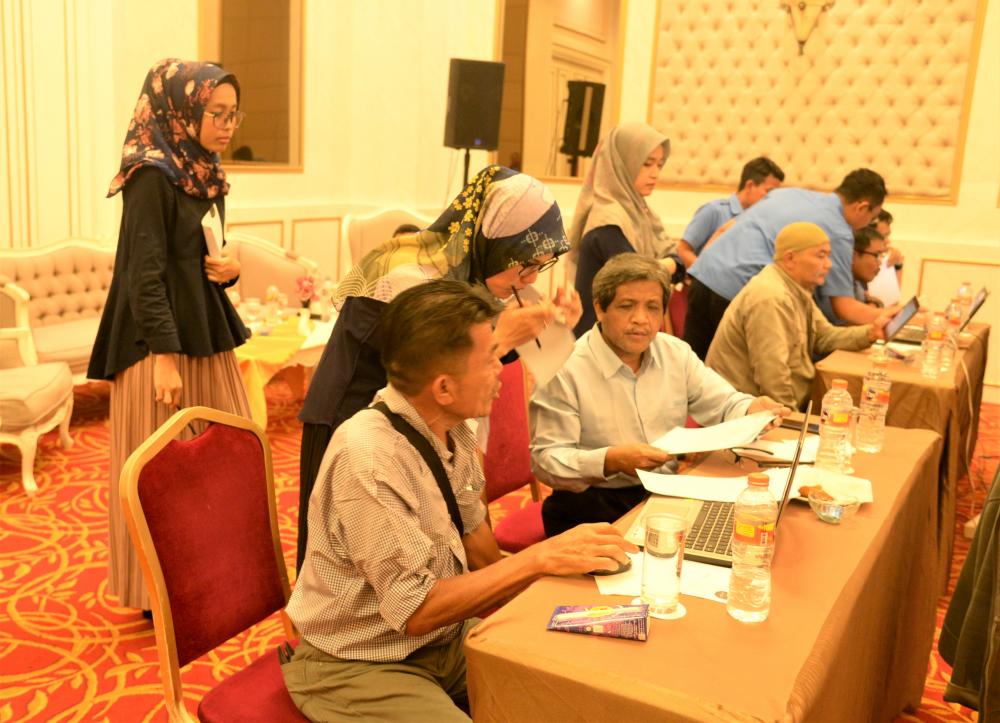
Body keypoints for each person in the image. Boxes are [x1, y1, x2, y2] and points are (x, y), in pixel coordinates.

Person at [283, 280, 635, 721]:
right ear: (444, 388)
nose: (502, 368)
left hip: (442, 637)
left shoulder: (453, 430)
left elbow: (479, 548)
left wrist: (569, 607)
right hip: (358, 658)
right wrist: (539, 559)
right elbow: (416, 609)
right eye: (489, 359)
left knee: (581, 685)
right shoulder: (368, 458)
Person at [296, 165, 582, 569]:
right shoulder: (404, 274)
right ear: (496, 241)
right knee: (354, 564)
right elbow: (431, 367)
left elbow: (479, 361)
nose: (531, 279)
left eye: (542, 266)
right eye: (526, 264)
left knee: (430, 558)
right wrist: (501, 335)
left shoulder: (476, 273)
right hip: (355, 427)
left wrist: (550, 325)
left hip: (422, 427)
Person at [87, 59, 251, 612]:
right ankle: (157, 594)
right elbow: (144, 274)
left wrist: (230, 269)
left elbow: (203, 253)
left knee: (223, 459)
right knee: (162, 473)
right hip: (158, 346)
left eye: (233, 114)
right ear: (183, 110)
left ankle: (211, 575)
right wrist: (164, 355)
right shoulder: (150, 175)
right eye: (216, 113)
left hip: (203, 333)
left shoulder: (205, 170)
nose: (227, 126)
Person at [530, 254, 789, 537]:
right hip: (590, 506)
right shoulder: (564, 367)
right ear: (600, 309)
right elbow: (547, 460)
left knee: (746, 532)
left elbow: (724, 403)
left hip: (664, 494)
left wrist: (751, 408)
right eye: (627, 306)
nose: (641, 319)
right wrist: (610, 460)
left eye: (652, 307)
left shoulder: (674, 353)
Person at [684, 168, 887, 360]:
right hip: (739, 290)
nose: (868, 225)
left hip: (705, 273)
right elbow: (845, 308)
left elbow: (726, 228)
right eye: (872, 218)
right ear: (862, 207)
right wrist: (888, 318)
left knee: (692, 366)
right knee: (733, 376)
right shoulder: (838, 230)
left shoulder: (789, 194)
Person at [706, 223, 885, 410]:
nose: (828, 264)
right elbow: (772, 378)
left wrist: (871, 333)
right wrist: (792, 420)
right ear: (790, 258)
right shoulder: (771, 296)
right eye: (821, 256)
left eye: (828, 256)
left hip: (775, 405)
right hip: (745, 413)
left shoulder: (795, 289)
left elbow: (825, 337)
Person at [568, 122, 685, 338]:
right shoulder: (609, 221)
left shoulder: (641, 212)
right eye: (647, 164)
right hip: (600, 338)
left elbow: (679, 265)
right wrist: (666, 265)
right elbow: (643, 280)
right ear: (621, 164)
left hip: (626, 332)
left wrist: (666, 265)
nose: (655, 174)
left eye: (659, 165)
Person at [676, 157, 785, 270]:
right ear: (750, 186)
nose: (772, 199)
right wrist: (703, 275)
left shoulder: (763, 221)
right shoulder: (714, 211)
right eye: (769, 192)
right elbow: (683, 250)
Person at [851, 226, 889, 308]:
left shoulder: (857, 283)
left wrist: (875, 303)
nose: (880, 262)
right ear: (853, 256)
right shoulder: (836, 287)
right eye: (876, 255)